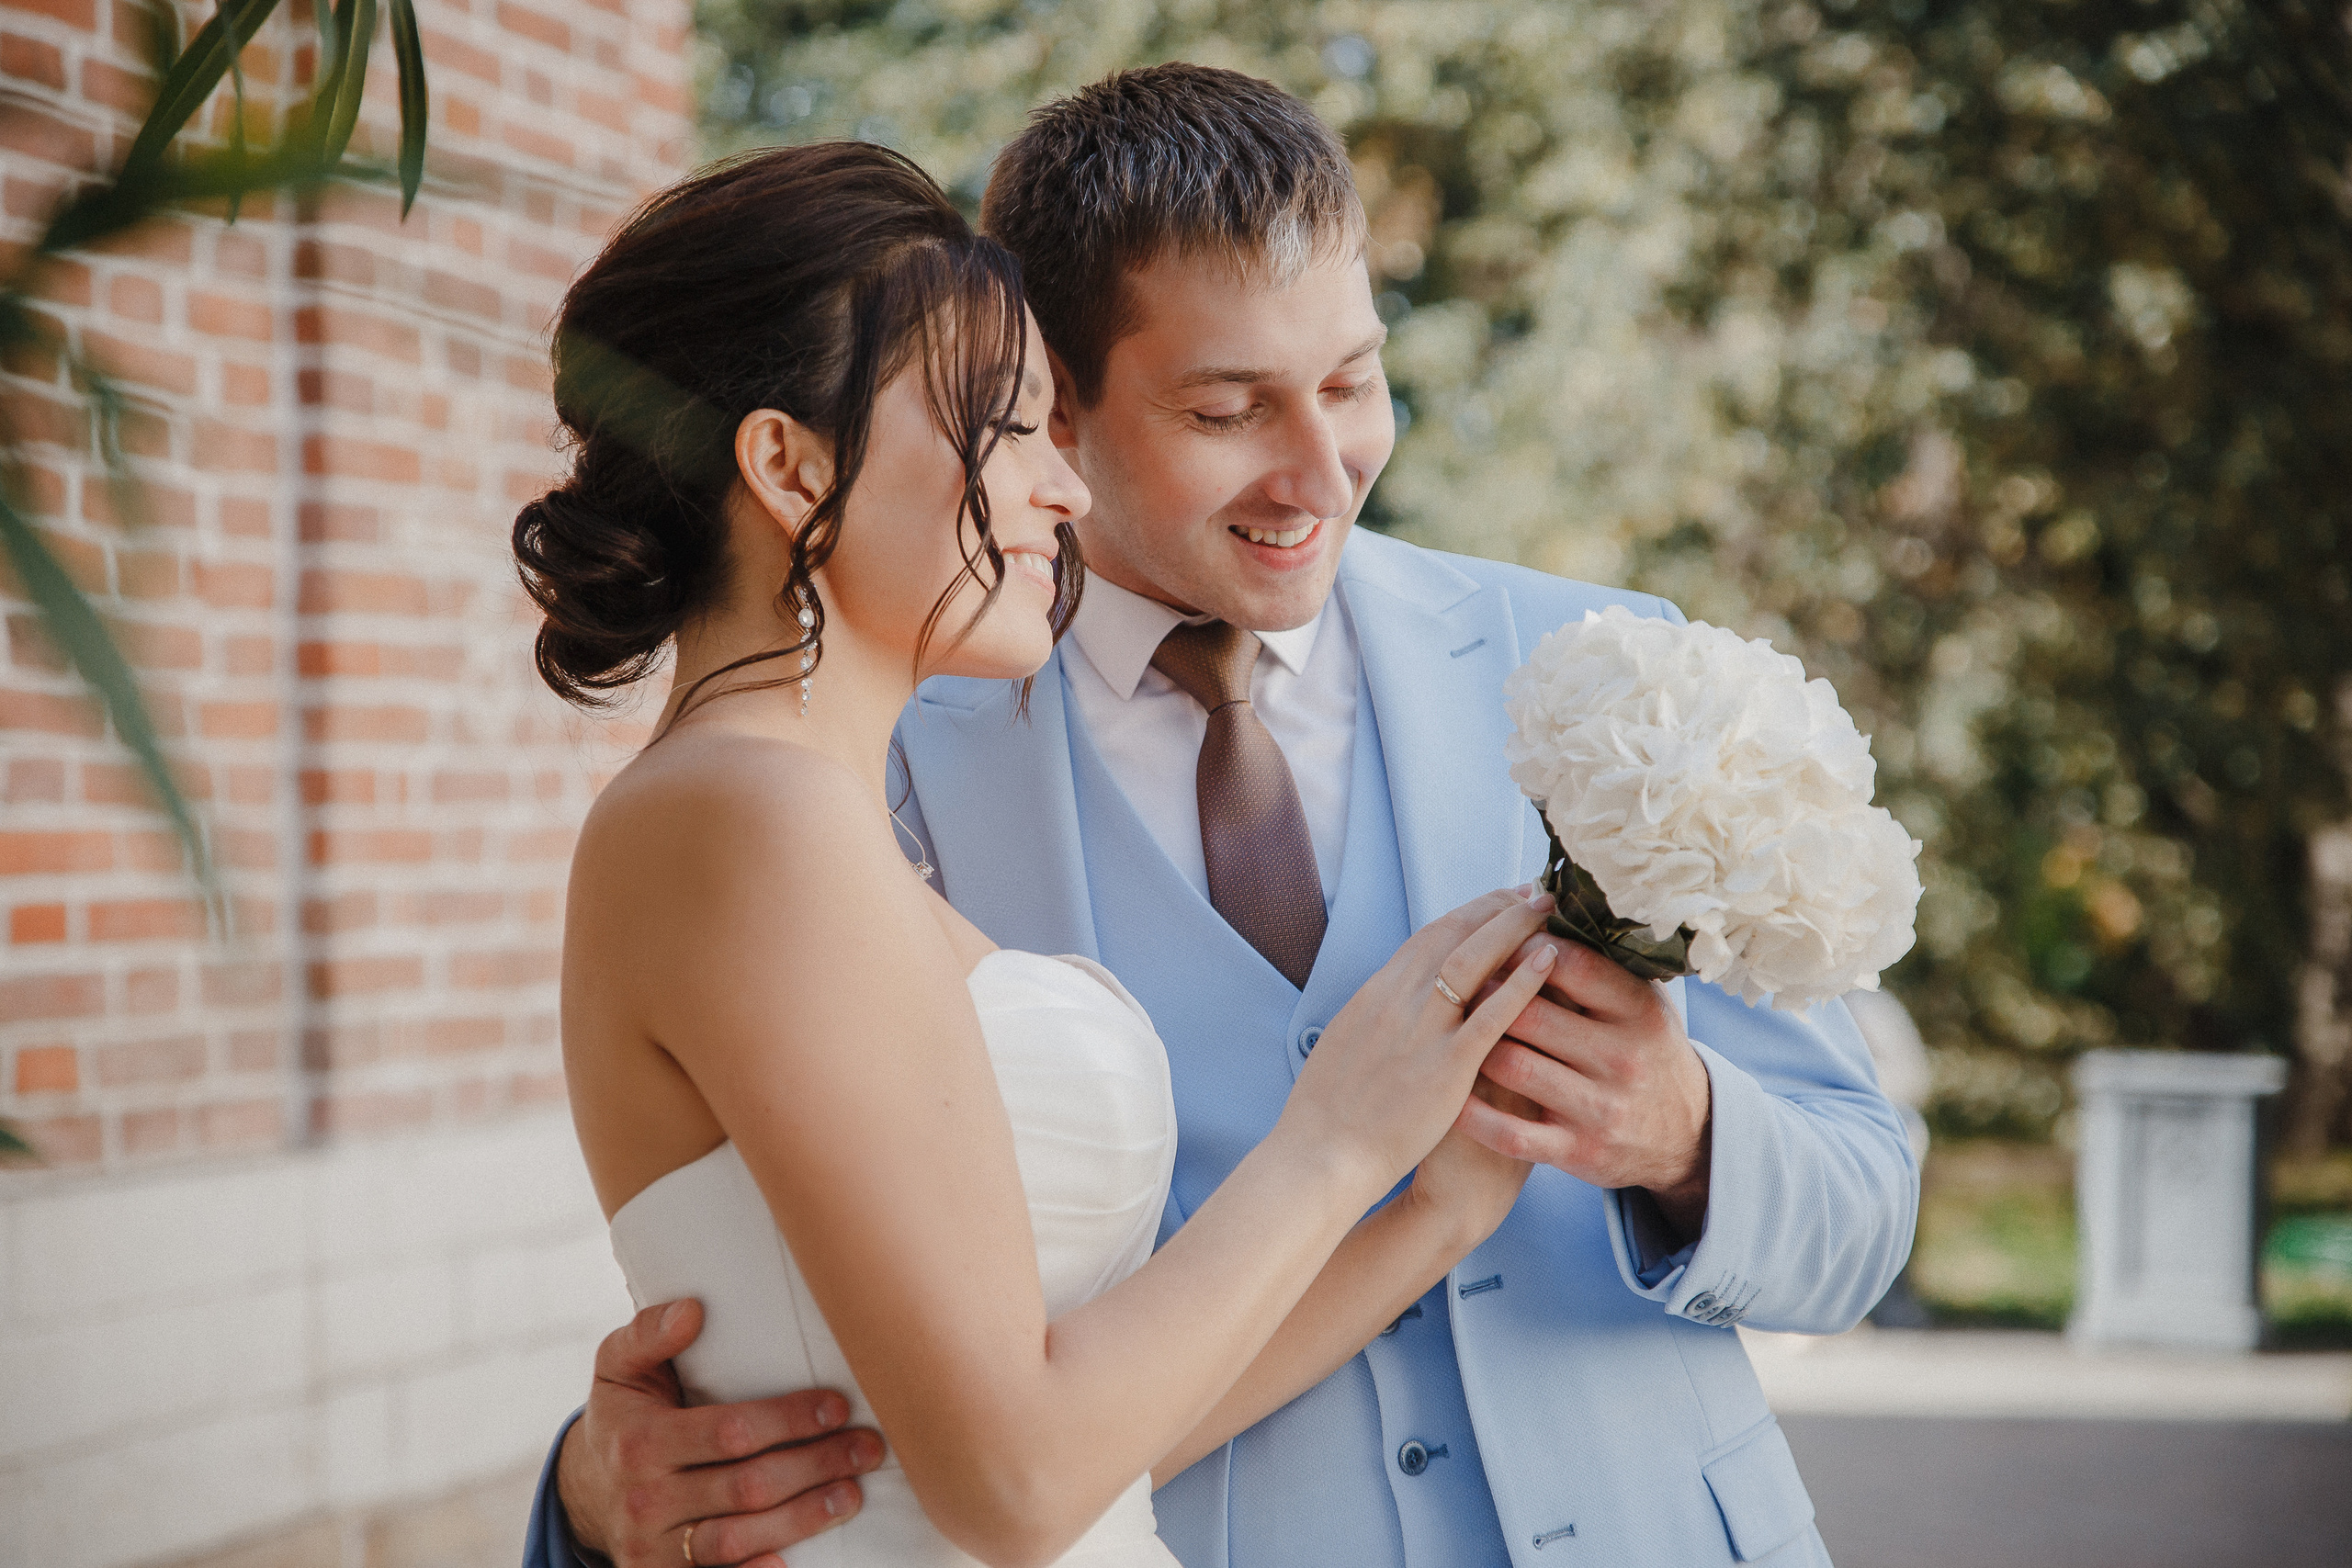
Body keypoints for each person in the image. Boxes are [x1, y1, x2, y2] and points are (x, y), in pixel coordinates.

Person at [529, 67, 1919, 1568]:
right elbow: (864, 1371)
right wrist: (598, 1498)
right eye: (1226, 408)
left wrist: (1685, 1135)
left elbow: (1865, 1203)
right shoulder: (862, 779)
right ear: (1060, 403)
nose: (1323, 473)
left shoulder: (1617, 686)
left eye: (1352, 381)